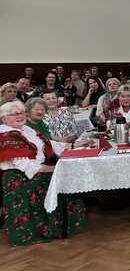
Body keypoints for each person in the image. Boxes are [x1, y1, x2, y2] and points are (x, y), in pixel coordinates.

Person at [0, 100, 86, 246]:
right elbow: (26, 165)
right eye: (15, 114)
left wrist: (72, 145)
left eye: (21, 113)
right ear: (4, 118)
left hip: (37, 169)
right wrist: (54, 169)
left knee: (67, 175)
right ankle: (51, 228)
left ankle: (64, 225)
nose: (20, 116)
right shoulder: (6, 136)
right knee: (60, 178)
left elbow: (49, 144)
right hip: (19, 176)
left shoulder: (26, 130)